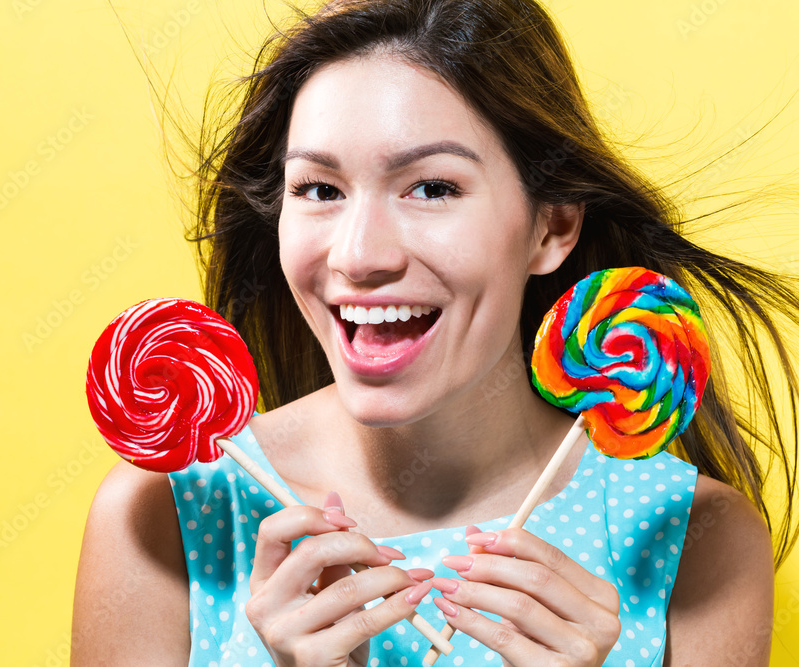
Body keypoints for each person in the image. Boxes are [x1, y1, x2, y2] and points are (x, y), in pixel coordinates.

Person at [71, 0, 799, 664]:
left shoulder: (693, 537)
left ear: (554, 224)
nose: (360, 255)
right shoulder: (166, 514)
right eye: (319, 189)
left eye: (433, 187)